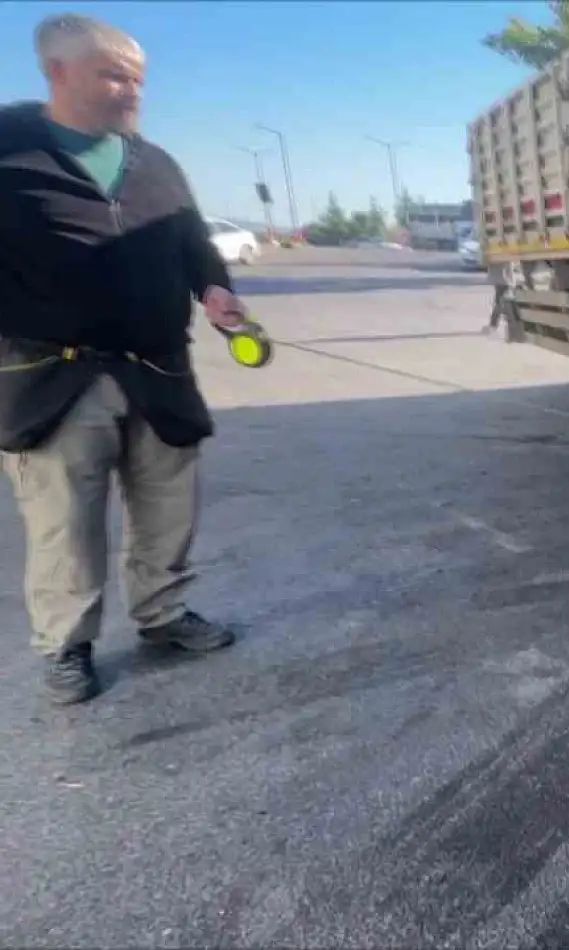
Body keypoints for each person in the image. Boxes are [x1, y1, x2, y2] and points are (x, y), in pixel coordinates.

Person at [0, 13, 245, 705]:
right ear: (57, 72)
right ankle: (66, 646)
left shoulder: (154, 160)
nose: (131, 90)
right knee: (64, 522)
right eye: (113, 74)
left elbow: (193, 242)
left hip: (157, 366)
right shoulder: (9, 148)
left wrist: (217, 290)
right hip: (53, 374)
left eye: (136, 78)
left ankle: (163, 616)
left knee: (168, 504)